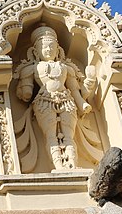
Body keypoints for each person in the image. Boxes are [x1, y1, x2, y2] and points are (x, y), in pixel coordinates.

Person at [14, 25, 93, 171]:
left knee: (69, 135)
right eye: (44, 47)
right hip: (44, 102)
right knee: (51, 136)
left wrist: (82, 102)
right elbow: (26, 94)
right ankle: (59, 167)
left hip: (67, 101)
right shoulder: (32, 69)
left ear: (58, 49)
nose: (48, 49)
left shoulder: (66, 68)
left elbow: (75, 91)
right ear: (35, 51)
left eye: (52, 46)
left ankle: (73, 165)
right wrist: (25, 88)